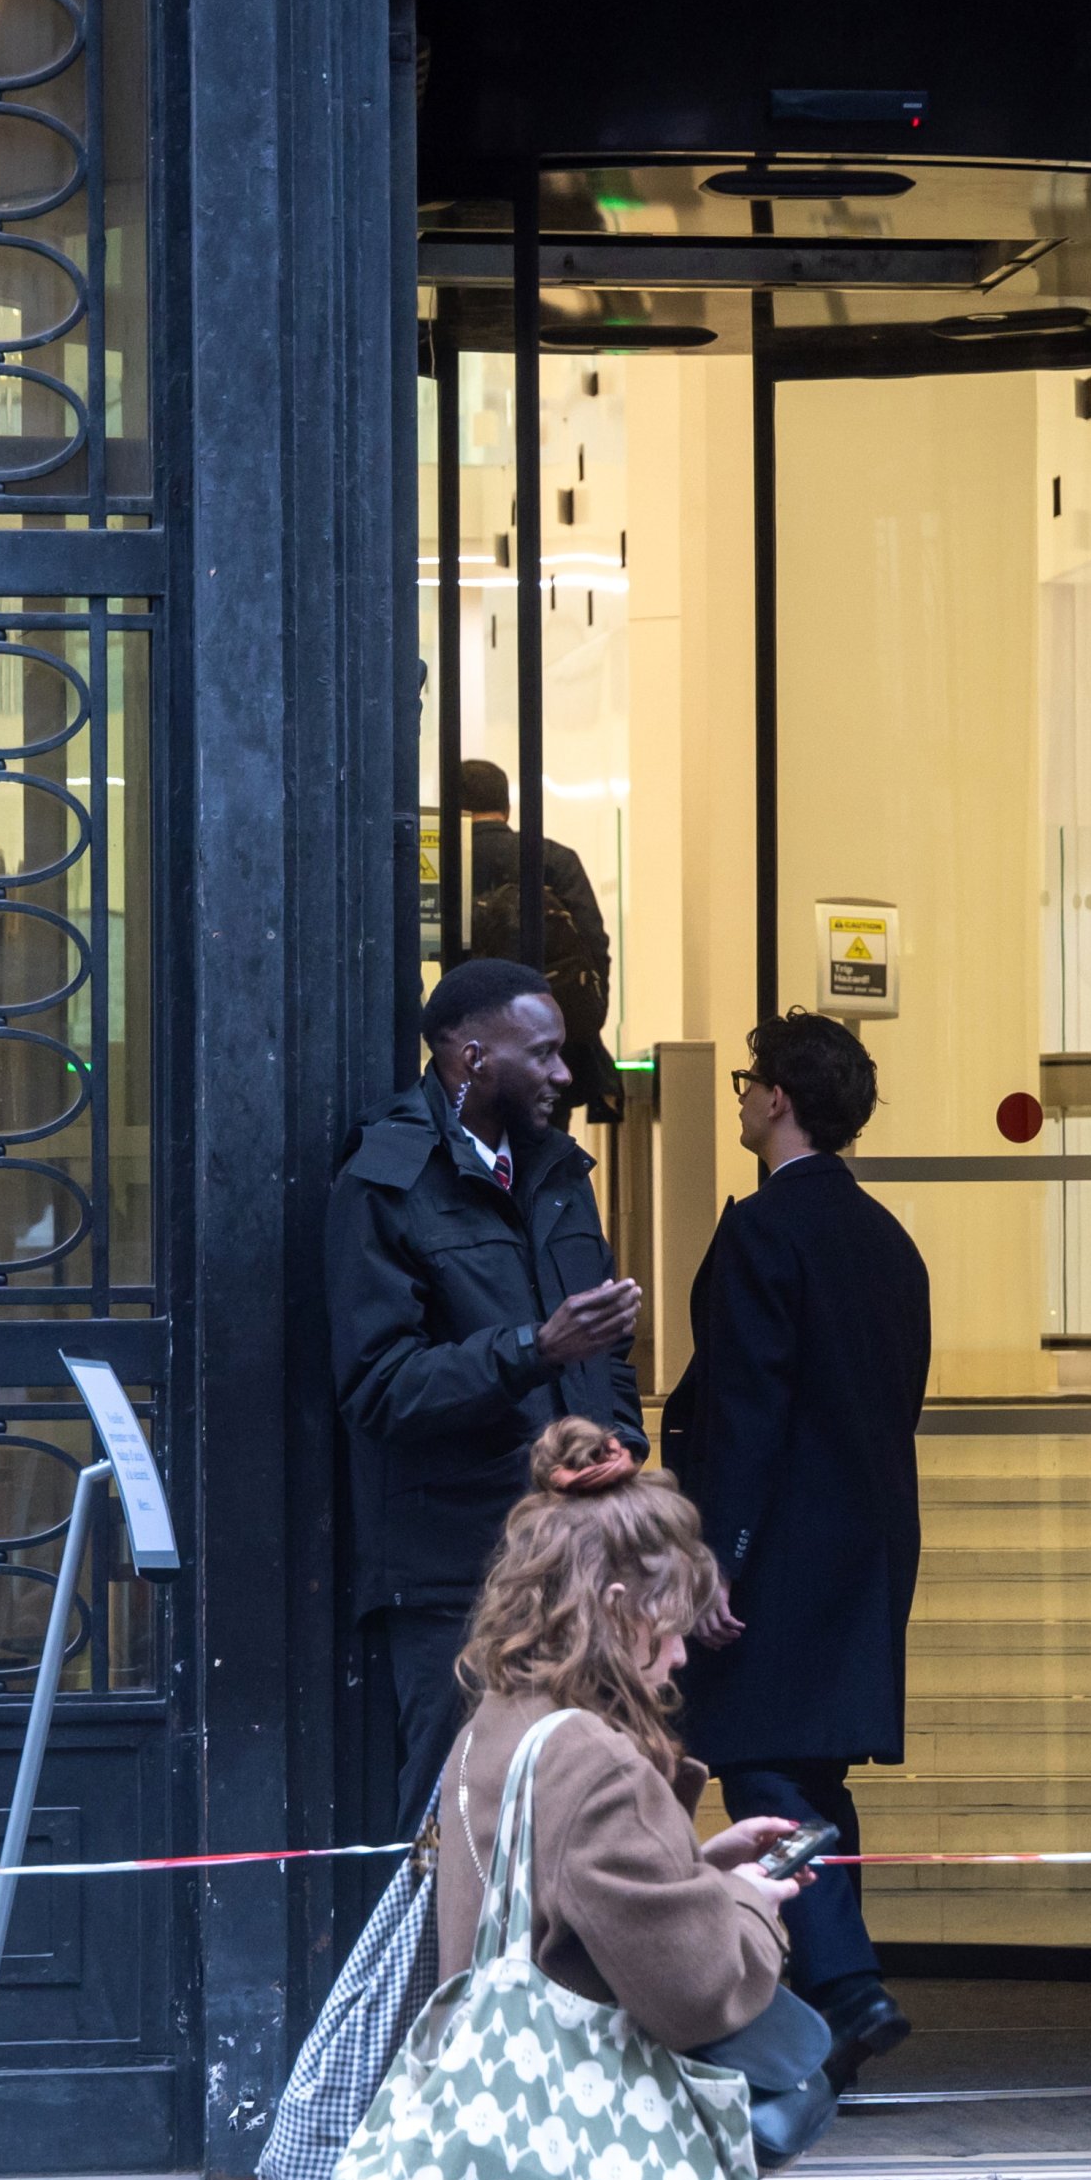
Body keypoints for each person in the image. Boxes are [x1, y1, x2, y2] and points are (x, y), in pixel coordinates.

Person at [431, 1417, 809, 2180]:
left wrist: (691, 1860)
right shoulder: (594, 1761)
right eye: (671, 1624)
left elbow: (568, 1917)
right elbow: (698, 1990)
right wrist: (745, 1904)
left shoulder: (497, 1731)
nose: (682, 1652)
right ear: (609, 1609)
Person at [666, 1013, 933, 2090]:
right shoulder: (886, 1238)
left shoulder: (763, 1232)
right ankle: (837, 2012)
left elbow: (747, 1410)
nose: (739, 1099)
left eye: (746, 1083)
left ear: (778, 1099)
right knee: (812, 1769)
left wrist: (717, 1557)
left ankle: (849, 1984)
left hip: (772, 1544)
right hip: (863, 1544)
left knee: (760, 1759)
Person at [331, 955, 646, 1834]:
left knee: (576, 1822)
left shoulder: (557, 1171)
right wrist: (531, 1350)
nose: (564, 1074)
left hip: (575, 1567)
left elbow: (603, 1360)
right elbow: (378, 1385)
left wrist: (621, 1442)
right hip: (455, 1578)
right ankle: (439, 1980)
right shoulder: (386, 1178)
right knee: (456, 1830)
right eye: (543, 1055)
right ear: (472, 1060)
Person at [456, 757, 623, 1125]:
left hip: (468, 1045)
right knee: (544, 1154)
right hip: (547, 1043)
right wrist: (582, 1024)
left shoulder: (445, 862)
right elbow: (595, 946)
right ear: (507, 807)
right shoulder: (554, 859)